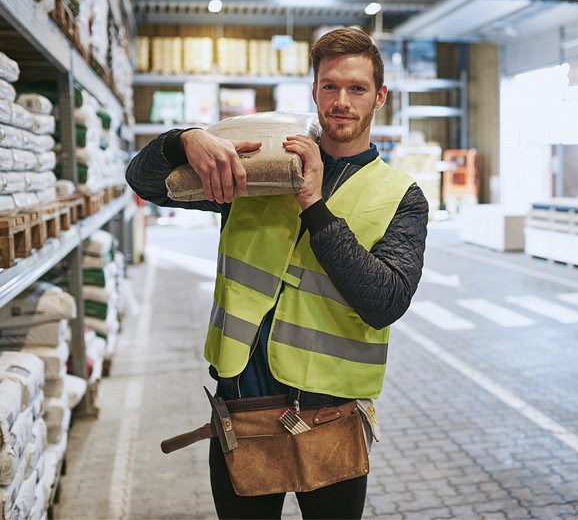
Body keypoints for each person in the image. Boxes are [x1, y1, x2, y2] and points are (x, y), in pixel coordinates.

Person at [125, 27, 429, 519]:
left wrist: (313, 200)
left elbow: (385, 300)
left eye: (356, 88)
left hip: (330, 415)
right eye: (329, 86)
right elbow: (145, 181)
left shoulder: (401, 195)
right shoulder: (261, 168)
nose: (342, 101)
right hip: (243, 408)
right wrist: (184, 141)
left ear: (380, 97)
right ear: (314, 92)